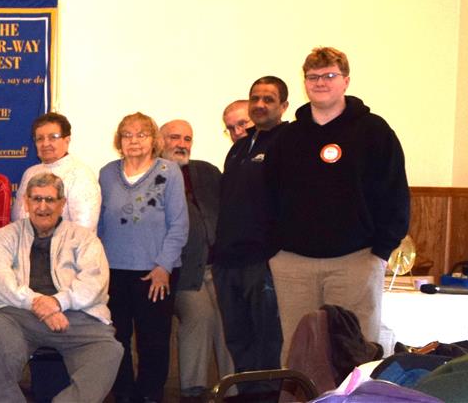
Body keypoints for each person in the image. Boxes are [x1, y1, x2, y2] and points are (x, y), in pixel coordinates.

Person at [268, 47, 408, 350]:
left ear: (345, 80)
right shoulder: (287, 137)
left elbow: (394, 193)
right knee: (298, 350)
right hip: (293, 263)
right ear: (305, 82)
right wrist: (273, 249)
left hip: (356, 259)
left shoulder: (374, 131)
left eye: (329, 75)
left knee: (353, 350)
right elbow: (267, 196)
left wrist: (381, 251)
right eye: (313, 77)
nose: (320, 82)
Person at [0, 172, 123, 403]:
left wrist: (57, 302)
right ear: (26, 202)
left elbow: (94, 282)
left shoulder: (84, 238)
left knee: (109, 350)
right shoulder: (5, 236)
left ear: (62, 203)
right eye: (36, 199)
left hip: (73, 317)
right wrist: (36, 303)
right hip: (18, 314)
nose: (42, 207)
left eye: (50, 200)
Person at [97, 112, 189, 403]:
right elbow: (99, 224)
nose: (134, 140)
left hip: (155, 273)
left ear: (154, 140)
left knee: (153, 342)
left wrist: (164, 266)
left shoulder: (168, 171)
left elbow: (179, 224)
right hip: (113, 271)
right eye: (127, 135)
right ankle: (123, 395)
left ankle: (150, 396)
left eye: (141, 134)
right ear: (119, 140)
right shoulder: (107, 173)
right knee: (115, 339)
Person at [214, 78, 288, 396]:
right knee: (238, 338)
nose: (260, 104)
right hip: (228, 261)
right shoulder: (238, 150)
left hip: (264, 261)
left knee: (267, 338)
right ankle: (247, 395)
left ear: (283, 106)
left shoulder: (288, 142)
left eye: (268, 99)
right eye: (255, 98)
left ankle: (266, 397)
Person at [161, 118, 233, 399]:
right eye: (174, 137)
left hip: (217, 267)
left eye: (187, 139)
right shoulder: (153, 175)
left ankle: (232, 389)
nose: (181, 144)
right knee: (200, 315)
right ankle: (193, 390)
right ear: (159, 141)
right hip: (180, 272)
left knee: (229, 316)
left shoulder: (207, 172)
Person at [14, 112, 101, 229]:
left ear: (67, 140)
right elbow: (17, 219)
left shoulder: (81, 175)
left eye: (53, 137)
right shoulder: (29, 173)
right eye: (40, 139)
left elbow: (83, 229)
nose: (45, 144)